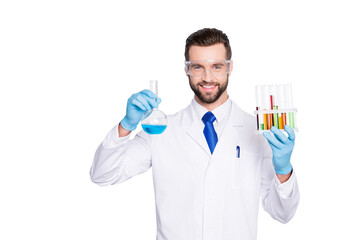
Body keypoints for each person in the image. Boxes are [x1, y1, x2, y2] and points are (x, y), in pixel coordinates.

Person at [90, 28, 300, 240]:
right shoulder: (162, 131)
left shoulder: (258, 131)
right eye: (198, 67)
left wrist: (284, 170)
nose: (207, 77)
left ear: (230, 67)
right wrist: (126, 125)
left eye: (217, 66)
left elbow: (282, 213)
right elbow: (102, 174)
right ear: (186, 69)